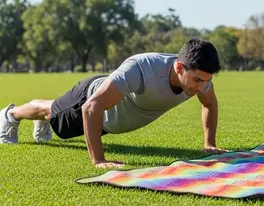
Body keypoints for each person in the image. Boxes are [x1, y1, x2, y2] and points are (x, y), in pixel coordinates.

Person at [0, 38, 226, 168]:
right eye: (197, 80)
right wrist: (99, 160)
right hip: (88, 100)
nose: (201, 87)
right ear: (179, 67)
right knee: (51, 113)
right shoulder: (142, 68)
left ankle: (44, 120)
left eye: (206, 82)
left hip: (109, 119)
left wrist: (209, 143)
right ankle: (11, 115)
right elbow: (92, 107)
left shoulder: (201, 82)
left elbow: (209, 104)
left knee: (52, 112)